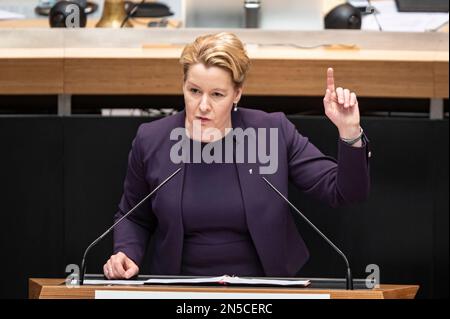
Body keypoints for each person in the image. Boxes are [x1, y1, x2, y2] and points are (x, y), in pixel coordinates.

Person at [103, 32, 370, 280]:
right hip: (179, 288)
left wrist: (349, 132)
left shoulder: (272, 131)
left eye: (217, 94)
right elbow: (133, 215)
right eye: (194, 91)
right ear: (183, 85)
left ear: (237, 94)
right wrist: (127, 252)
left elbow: (345, 192)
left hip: (263, 289)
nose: (203, 106)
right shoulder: (152, 139)